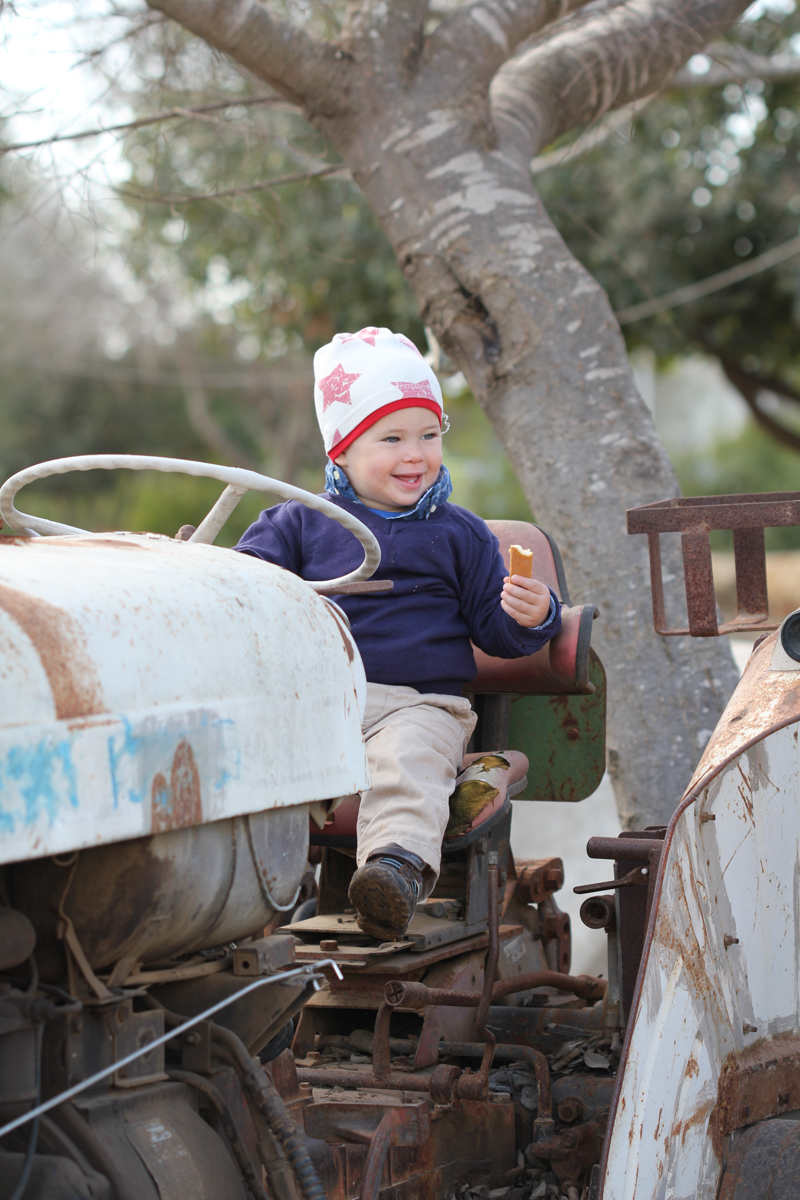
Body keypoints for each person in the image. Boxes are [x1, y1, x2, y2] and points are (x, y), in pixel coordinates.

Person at [235, 327, 561, 940]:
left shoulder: (460, 534)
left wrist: (531, 614)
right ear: (342, 452)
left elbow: (494, 633)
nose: (415, 454)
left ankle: (394, 871)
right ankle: (241, 898)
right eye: (392, 438)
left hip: (417, 703)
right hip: (321, 705)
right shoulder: (297, 522)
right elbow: (246, 589)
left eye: (428, 435)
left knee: (407, 759)